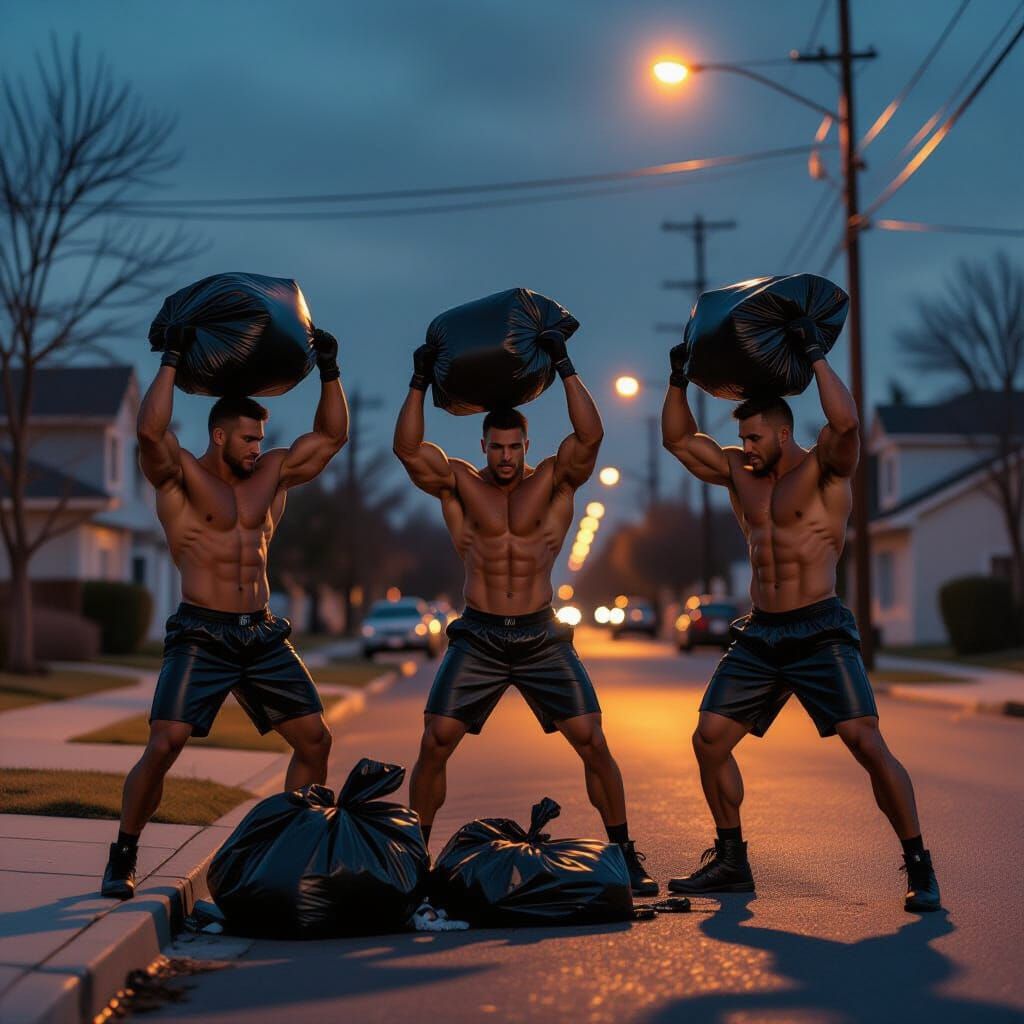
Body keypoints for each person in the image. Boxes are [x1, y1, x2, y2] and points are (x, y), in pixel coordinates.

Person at [660, 323, 941, 913]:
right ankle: (732, 860)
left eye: (757, 437)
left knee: (864, 741)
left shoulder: (825, 470)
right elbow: (679, 441)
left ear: (784, 433)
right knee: (709, 739)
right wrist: (678, 376)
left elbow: (846, 424)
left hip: (818, 627)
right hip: (762, 631)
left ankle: (919, 865)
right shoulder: (739, 472)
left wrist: (814, 353)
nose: (747, 446)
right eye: (743, 437)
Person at [393, 331, 658, 895]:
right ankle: (413, 862)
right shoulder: (461, 482)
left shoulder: (555, 481)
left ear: (527, 444)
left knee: (592, 739)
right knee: (435, 739)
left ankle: (625, 854)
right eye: (497, 448)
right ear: (483, 445)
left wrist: (564, 363)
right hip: (480, 635)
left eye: (515, 448)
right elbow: (409, 450)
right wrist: (418, 382)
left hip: (541, 633)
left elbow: (591, 434)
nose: (506, 457)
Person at [101, 326, 349, 900]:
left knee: (315, 741)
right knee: (165, 742)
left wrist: (330, 368)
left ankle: (290, 847)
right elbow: (147, 429)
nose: (256, 448)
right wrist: (171, 358)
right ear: (218, 435)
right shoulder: (180, 476)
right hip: (201, 633)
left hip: (260, 632)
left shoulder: (273, 473)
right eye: (246, 439)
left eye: (260, 437)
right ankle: (124, 854)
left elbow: (332, 436)